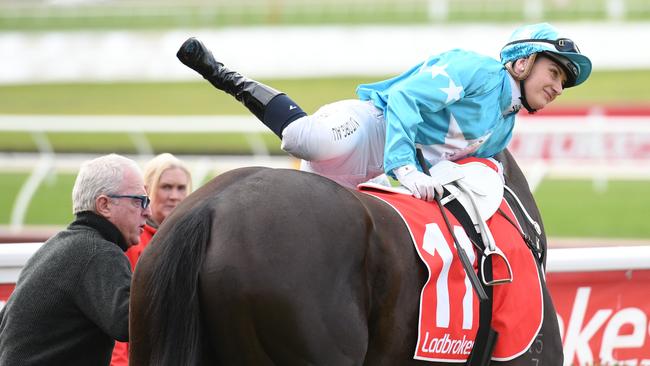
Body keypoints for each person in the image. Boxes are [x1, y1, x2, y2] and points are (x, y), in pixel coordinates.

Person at [176, 22, 591, 202]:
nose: (556, 87)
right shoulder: (476, 69)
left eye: (562, 82)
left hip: (377, 178)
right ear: (522, 62)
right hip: (368, 129)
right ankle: (223, 74)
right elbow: (407, 100)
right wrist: (405, 167)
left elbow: (455, 167)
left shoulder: (504, 128)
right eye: (553, 72)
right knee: (305, 140)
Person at [0, 154, 151, 365]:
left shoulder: (56, 247)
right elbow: (131, 323)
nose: (147, 212)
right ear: (104, 205)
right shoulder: (99, 253)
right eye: (139, 201)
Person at [110, 153, 192, 366]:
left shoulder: (192, 240)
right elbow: (117, 312)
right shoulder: (131, 241)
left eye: (181, 188)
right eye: (166, 187)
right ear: (146, 191)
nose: (174, 196)